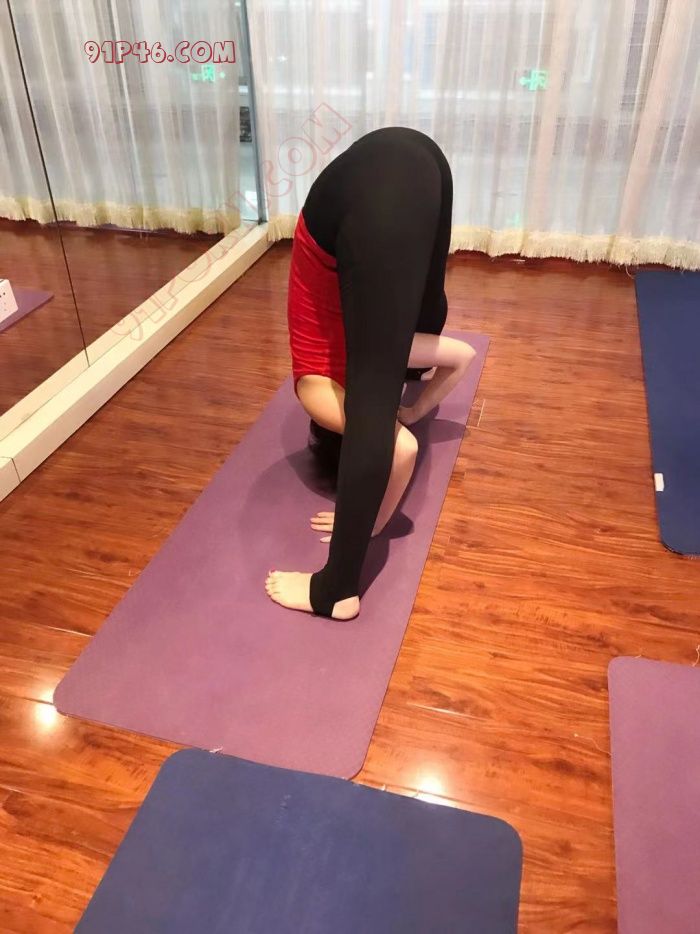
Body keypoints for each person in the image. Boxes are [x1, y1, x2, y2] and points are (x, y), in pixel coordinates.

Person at [265, 126, 476, 620]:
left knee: (373, 399)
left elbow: (400, 447)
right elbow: (463, 355)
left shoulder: (314, 388)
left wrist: (373, 520)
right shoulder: (384, 331)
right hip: (422, 158)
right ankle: (411, 376)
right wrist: (415, 409)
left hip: (375, 193)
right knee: (424, 303)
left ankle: (335, 591)